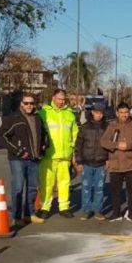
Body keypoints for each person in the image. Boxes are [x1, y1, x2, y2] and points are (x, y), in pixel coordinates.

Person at [0, 93, 48, 228]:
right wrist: (19, 151)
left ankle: (29, 214)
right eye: (26, 103)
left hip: (34, 158)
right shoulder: (12, 119)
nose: (29, 106)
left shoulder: (37, 118)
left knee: (32, 188)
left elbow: (44, 134)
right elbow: (2, 137)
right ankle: (17, 216)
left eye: (31, 103)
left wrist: (44, 146)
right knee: (18, 187)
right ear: (21, 104)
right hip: (18, 159)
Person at [37, 89, 79, 220]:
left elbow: (74, 134)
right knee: (46, 183)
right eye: (59, 99)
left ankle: (64, 207)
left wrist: (73, 153)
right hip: (48, 156)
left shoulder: (70, 115)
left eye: (63, 99)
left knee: (65, 183)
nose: (61, 102)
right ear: (53, 97)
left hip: (65, 155)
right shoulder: (43, 113)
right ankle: (44, 208)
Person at [101, 102, 132, 222]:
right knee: (115, 191)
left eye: (126, 113)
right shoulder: (112, 126)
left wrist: (128, 145)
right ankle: (116, 213)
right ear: (117, 113)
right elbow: (104, 141)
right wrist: (116, 145)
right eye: (121, 113)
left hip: (131, 164)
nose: (124, 115)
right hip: (115, 164)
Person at [74, 103, 108, 221]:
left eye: (101, 113)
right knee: (86, 187)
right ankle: (86, 210)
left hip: (101, 163)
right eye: (97, 112)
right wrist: (79, 162)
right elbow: (78, 145)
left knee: (99, 188)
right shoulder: (84, 127)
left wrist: (108, 159)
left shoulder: (107, 127)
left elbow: (110, 146)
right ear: (92, 112)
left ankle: (98, 210)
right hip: (87, 163)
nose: (99, 115)